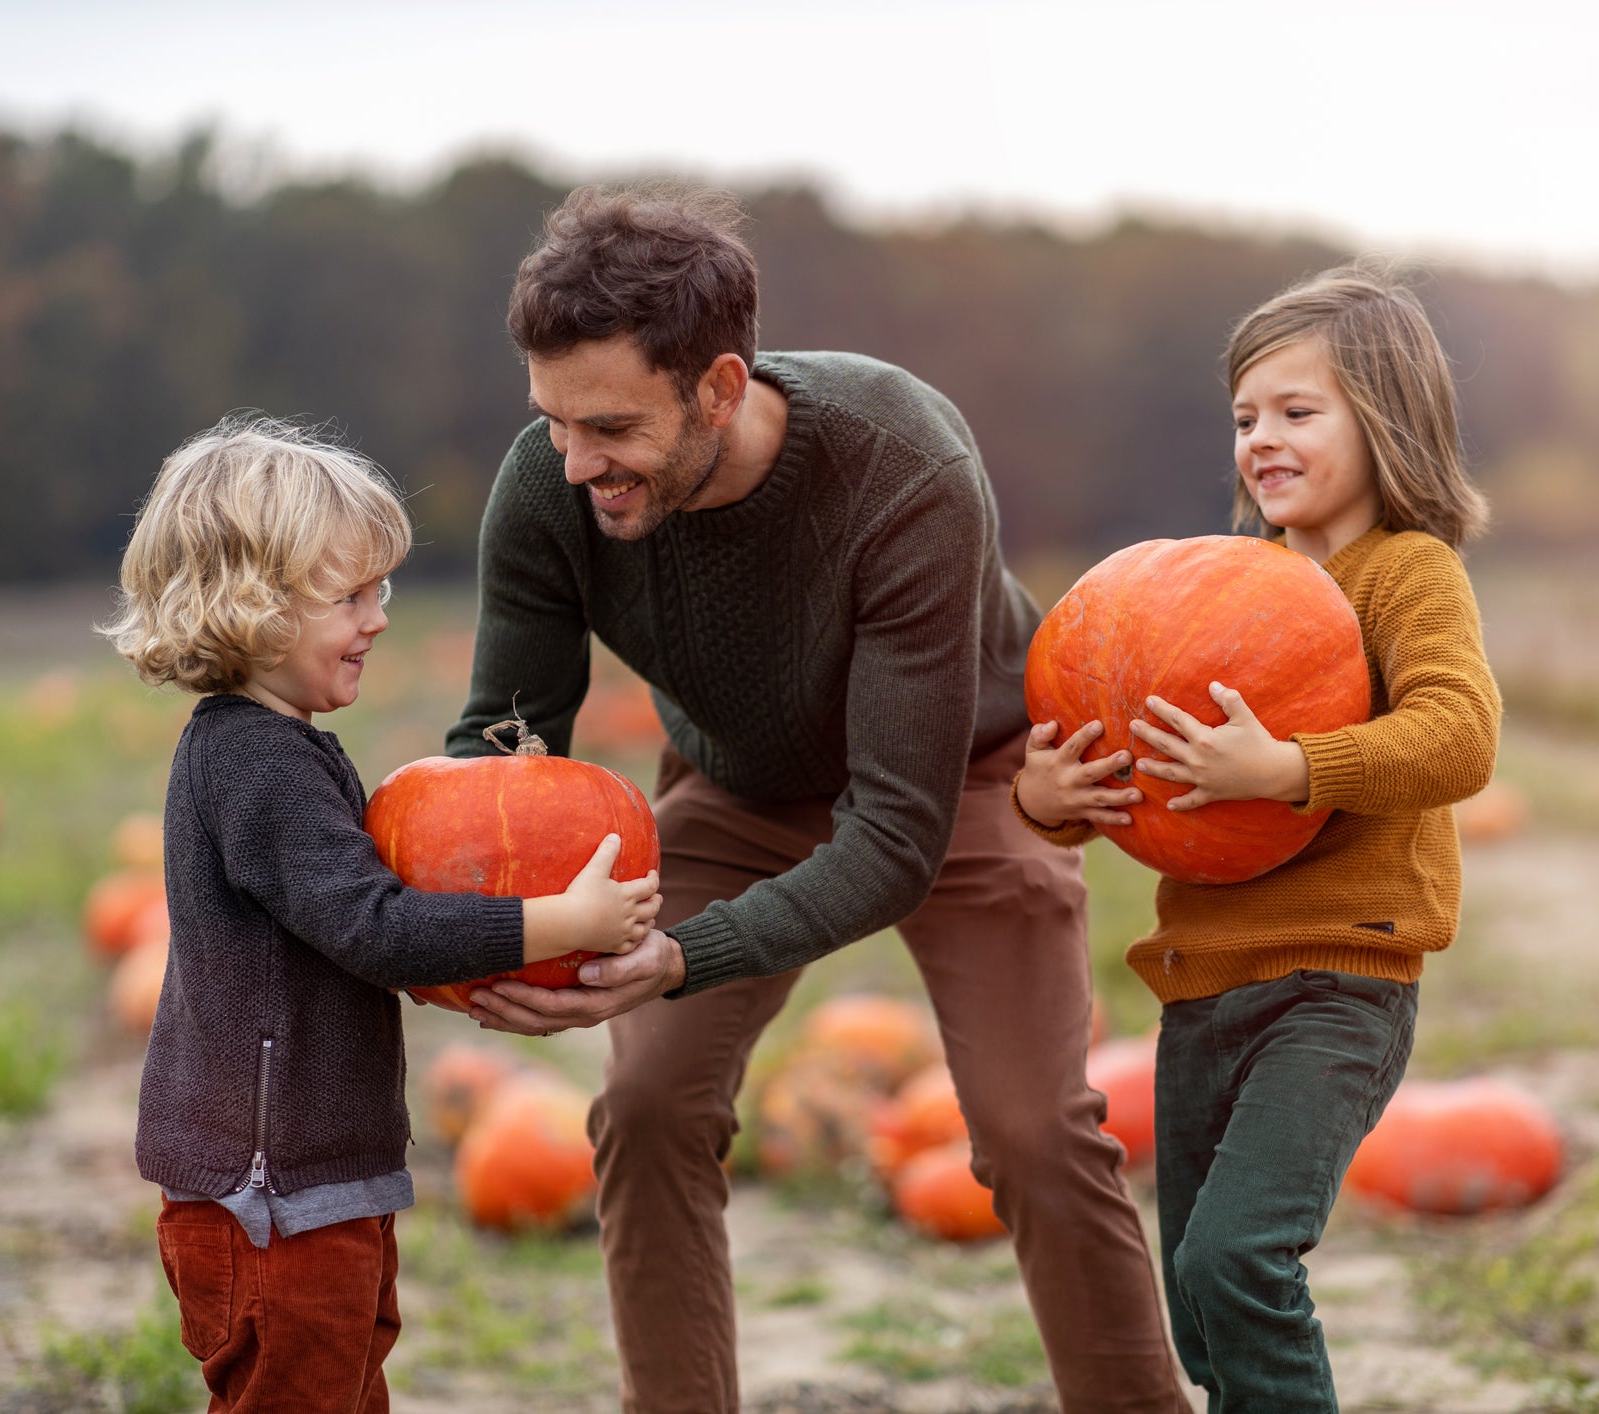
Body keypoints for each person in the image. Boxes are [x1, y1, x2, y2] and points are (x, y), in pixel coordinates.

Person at [444, 186, 1189, 1414]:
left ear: (720, 388)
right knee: (642, 1104)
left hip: (962, 780)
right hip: (736, 788)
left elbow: (896, 835)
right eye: (553, 421)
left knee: (1036, 1134)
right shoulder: (550, 484)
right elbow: (503, 745)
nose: (576, 465)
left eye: (611, 427)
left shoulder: (901, 467)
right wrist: (485, 928)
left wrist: (684, 953)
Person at [1015, 264, 1501, 1412]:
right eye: (1244, 418)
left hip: (1341, 977)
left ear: (1384, 421)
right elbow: (1120, 773)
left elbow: (1460, 736)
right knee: (1199, 1302)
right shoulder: (1218, 597)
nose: (1262, 439)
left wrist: (1291, 769)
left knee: (1238, 1258)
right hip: (1206, 986)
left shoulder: (1407, 575)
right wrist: (1047, 796)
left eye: (1296, 411)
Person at [101, 415, 659, 1414]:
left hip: (314, 1184)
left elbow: (351, 935)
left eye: (383, 588)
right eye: (349, 594)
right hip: (272, 1203)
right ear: (253, 606)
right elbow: (376, 927)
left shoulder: (281, 747)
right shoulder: (258, 765)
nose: (380, 616)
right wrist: (554, 923)